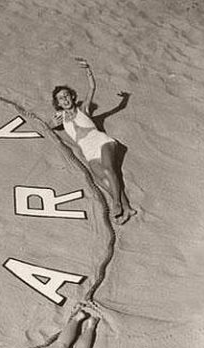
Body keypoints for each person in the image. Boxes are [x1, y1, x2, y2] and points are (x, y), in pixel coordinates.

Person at [51, 57, 136, 224]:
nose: (65, 99)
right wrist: (54, 124)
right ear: (58, 103)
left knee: (109, 170)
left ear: (72, 97)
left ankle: (117, 204)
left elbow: (92, 88)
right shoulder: (60, 119)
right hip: (88, 152)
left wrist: (88, 70)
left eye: (67, 96)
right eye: (61, 98)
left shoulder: (83, 109)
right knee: (102, 180)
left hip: (102, 142)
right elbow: (50, 127)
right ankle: (127, 209)